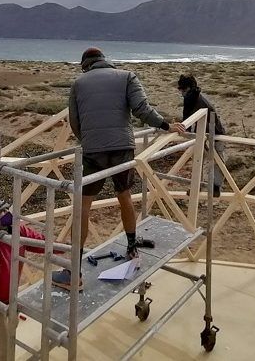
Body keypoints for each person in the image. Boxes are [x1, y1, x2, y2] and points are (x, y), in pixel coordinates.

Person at [52, 47, 186, 291]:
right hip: (123, 147)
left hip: (93, 151)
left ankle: (73, 273)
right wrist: (167, 125)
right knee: (124, 195)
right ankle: (132, 249)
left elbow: (74, 120)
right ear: (105, 61)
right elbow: (142, 110)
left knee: (83, 206)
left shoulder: (78, 83)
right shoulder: (127, 77)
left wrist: (88, 140)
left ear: (86, 66)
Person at [0, 200, 47, 361]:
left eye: (7, 210)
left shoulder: (18, 231)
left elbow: (39, 242)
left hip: (12, 297)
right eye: (0, 212)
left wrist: (61, 247)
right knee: (5, 349)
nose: (5, 214)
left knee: (11, 330)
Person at [177, 74, 226, 198]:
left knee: (216, 160)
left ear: (188, 88)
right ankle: (199, 187)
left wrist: (184, 129)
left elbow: (189, 118)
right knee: (201, 159)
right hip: (203, 132)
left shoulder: (194, 99)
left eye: (183, 89)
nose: (181, 92)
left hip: (214, 132)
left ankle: (213, 187)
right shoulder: (193, 97)